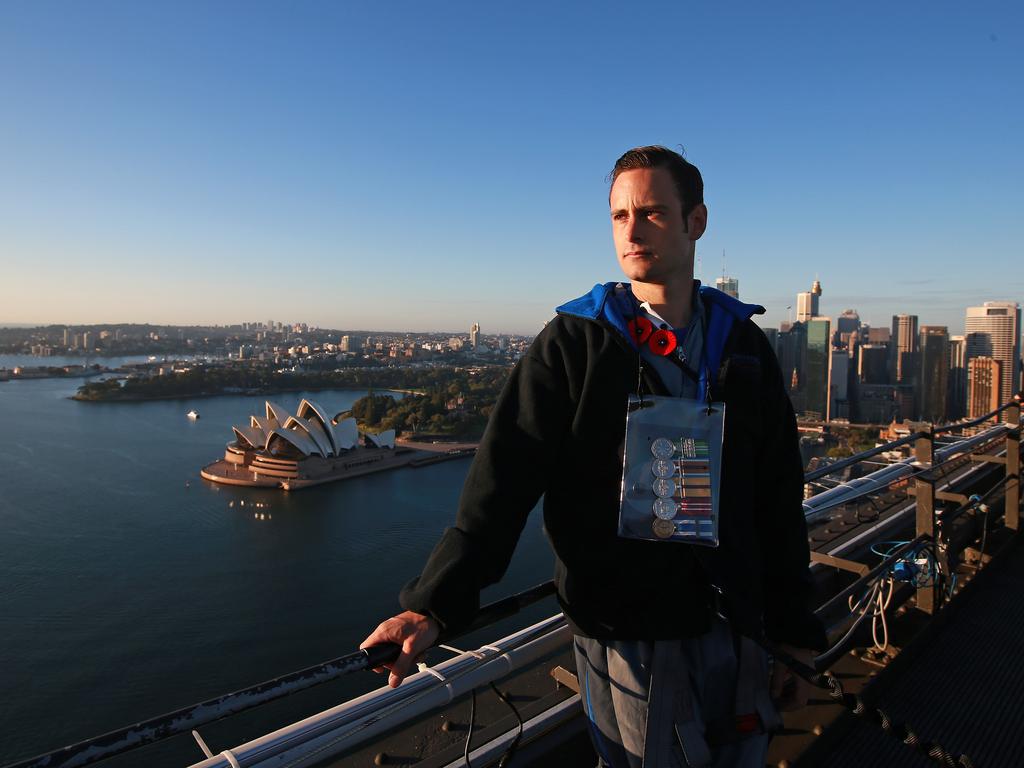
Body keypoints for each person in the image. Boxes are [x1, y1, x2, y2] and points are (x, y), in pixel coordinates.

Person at [361, 146, 826, 767]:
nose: (631, 231)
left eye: (653, 212)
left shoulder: (742, 347)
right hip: (627, 633)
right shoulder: (577, 343)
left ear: (697, 221)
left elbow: (776, 499)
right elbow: (502, 484)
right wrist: (434, 603)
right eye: (618, 216)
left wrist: (795, 631)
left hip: (736, 624)